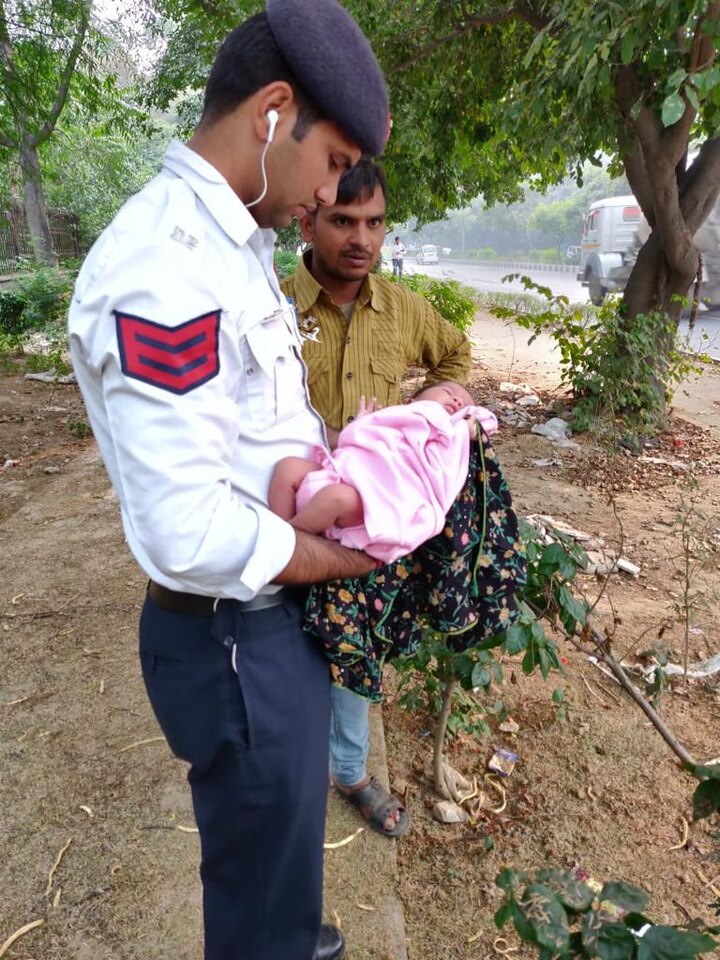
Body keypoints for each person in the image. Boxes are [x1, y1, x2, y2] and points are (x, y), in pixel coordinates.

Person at [67, 3, 388, 960]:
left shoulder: (234, 248)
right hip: (232, 638)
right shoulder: (166, 267)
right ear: (273, 112)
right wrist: (333, 556)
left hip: (261, 624)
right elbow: (186, 528)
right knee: (260, 919)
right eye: (331, 162)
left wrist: (327, 465)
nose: (332, 193)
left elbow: (254, 432)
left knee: (280, 871)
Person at [280, 157, 471, 838]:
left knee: (354, 644)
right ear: (308, 218)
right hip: (293, 506)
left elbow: (455, 357)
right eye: (343, 221)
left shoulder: (404, 310)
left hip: (366, 519)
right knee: (282, 637)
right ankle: (295, 756)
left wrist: (414, 417)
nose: (361, 237)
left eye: (375, 222)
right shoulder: (272, 309)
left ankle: (351, 771)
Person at [269, 382, 498, 563]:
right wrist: (362, 424)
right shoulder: (394, 418)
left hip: (376, 498)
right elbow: (356, 444)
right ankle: (278, 525)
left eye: (464, 404)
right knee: (288, 467)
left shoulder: (445, 434)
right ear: (412, 401)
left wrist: (468, 423)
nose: (457, 399)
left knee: (335, 498)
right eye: (447, 391)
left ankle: (288, 545)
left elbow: (487, 421)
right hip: (344, 470)